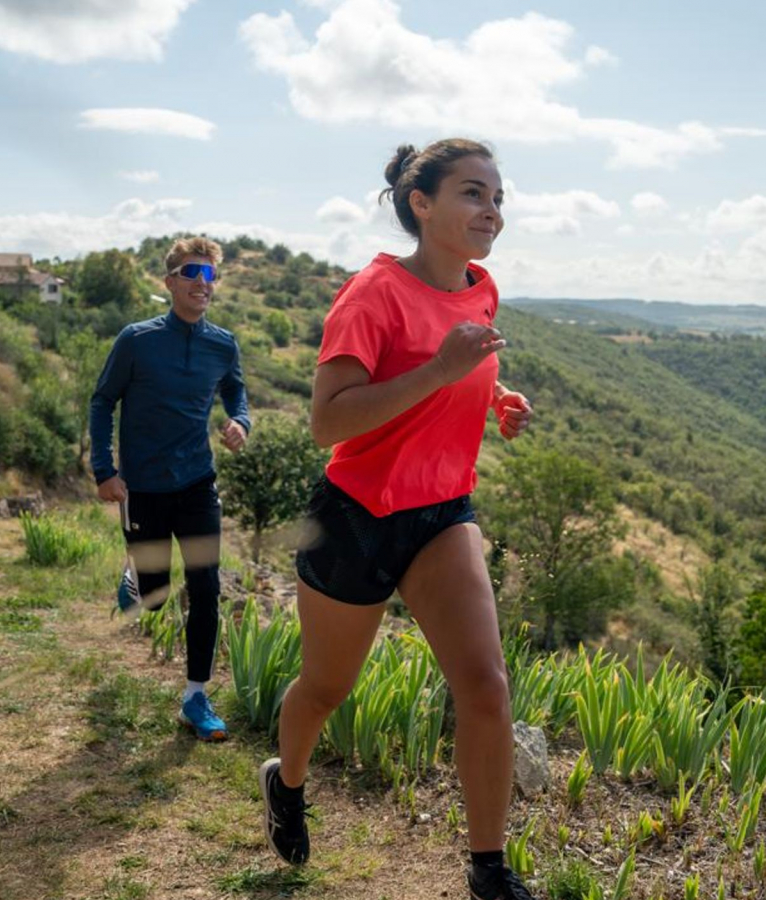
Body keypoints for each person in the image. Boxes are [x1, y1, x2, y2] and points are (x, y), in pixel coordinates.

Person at [257, 139, 536, 900]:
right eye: (474, 194)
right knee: (324, 689)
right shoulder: (371, 293)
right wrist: (443, 372)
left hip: (443, 510)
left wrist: (489, 392)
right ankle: (286, 781)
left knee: (484, 684)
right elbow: (328, 423)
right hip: (357, 517)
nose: (492, 212)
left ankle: (488, 870)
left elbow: (464, 357)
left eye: (498, 198)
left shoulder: (482, 287)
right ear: (422, 203)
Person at [88, 236, 250, 742]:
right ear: (170, 281)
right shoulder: (136, 340)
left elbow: (236, 391)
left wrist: (239, 420)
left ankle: (195, 698)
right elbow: (101, 401)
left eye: (210, 275)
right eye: (192, 273)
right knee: (153, 599)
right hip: (144, 489)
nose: (203, 283)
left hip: (198, 483)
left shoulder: (222, 344)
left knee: (206, 590)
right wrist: (103, 470)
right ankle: (138, 574)